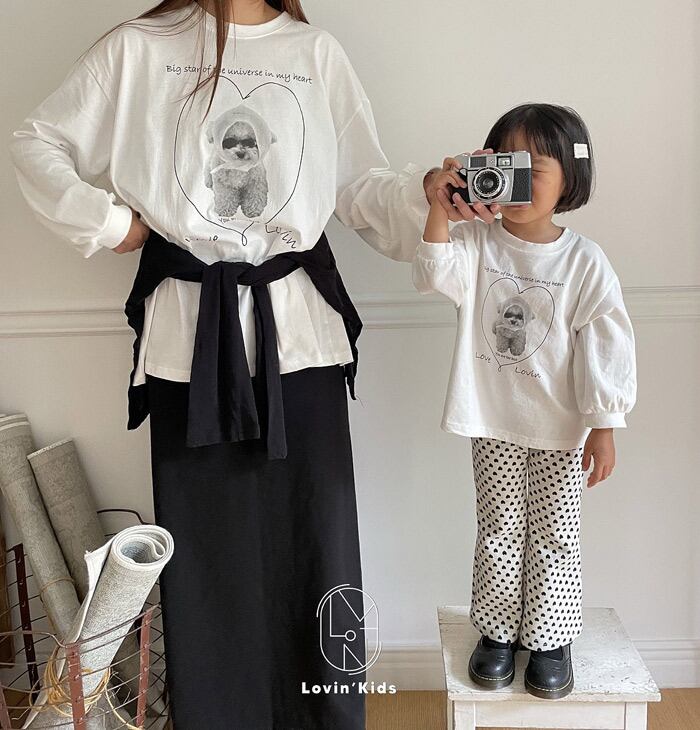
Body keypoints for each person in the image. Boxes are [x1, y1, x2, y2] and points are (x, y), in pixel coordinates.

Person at [7, 1, 499, 727]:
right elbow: (36, 141)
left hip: (301, 336)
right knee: (209, 557)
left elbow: (359, 187)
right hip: (190, 343)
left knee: (316, 541)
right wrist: (111, 224)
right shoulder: (138, 48)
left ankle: (325, 717)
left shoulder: (313, 51)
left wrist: (427, 193)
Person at [412, 103, 637, 699]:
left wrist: (605, 423)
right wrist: (440, 206)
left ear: (569, 178)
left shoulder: (584, 261)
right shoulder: (476, 244)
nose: (516, 183)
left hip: (561, 427)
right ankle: (496, 633)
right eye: (505, 166)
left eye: (533, 170)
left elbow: (607, 344)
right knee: (499, 530)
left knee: (557, 534)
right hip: (492, 419)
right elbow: (432, 274)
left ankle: (550, 637)